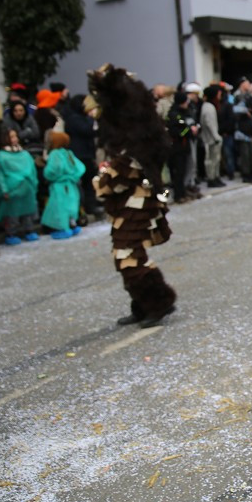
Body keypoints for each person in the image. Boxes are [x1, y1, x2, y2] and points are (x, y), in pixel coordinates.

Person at [89, 64, 177, 328]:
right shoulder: (130, 140)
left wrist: (101, 179)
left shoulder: (134, 146)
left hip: (137, 203)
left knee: (128, 253)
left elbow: (113, 180)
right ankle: (143, 303)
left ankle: (158, 302)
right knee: (125, 254)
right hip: (130, 204)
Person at [0, 128, 40, 245]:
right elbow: (0, 175)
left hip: (27, 186)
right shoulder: (2, 156)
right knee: (12, 213)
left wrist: (34, 183)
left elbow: (32, 170)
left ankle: (29, 230)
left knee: (28, 212)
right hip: (12, 189)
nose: (14, 139)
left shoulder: (25, 154)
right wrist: (3, 190)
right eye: (11, 137)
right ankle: (11, 232)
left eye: (15, 136)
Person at [41, 132, 85, 240]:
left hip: (59, 186)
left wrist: (47, 174)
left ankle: (63, 228)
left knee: (59, 208)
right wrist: (73, 177)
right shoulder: (68, 153)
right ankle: (72, 225)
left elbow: (53, 169)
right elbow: (80, 167)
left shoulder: (55, 154)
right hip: (71, 185)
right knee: (71, 206)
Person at [165, 91, 198, 202]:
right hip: (177, 147)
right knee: (178, 172)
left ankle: (183, 191)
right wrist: (189, 130)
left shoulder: (184, 112)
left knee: (184, 170)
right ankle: (178, 195)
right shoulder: (174, 114)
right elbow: (176, 132)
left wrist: (194, 128)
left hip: (184, 146)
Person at [200, 84, 225, 188]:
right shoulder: (208, 107)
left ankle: (215, 176)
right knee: (212, 160)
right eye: (218, 94)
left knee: (216, 159)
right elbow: (209, 123)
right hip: (211, 139)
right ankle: (212, 178)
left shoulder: (210, 106)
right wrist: (216, 137)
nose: (220, 96)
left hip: (213, 138)